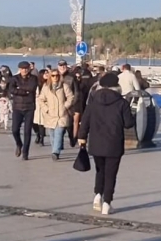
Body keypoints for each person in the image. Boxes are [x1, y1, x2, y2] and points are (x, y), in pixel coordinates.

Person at [78, 73, 134, 215]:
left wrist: (82, 137)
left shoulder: (93, 101)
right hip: (114, 142)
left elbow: (85, 121)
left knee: (100, 170)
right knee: (111, 173)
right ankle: (107, 203)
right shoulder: (122, 103)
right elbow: (128, 124)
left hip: (96, 142)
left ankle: (97, 196)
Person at [38, 69, 74, 161]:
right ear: (50, 77)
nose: (55, 77)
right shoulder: (46, 87)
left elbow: (70, 97)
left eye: (57, 75)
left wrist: (65, 106)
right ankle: (56, 148)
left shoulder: (64, 86)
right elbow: (41, 99)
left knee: (59, 132)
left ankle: (55, 152)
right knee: (52, 134)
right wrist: (46, 109)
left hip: (61, 114)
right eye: (53, 75)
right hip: (50, 114)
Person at [8, 61, 38, 160]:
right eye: (22, 69)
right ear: (19, 69)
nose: (24, 70)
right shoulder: (14, 78)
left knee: (27, 131)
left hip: (29, 107)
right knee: (15, 130)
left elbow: (31, 88)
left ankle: (25, 152)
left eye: (26, 68)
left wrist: (19, 89)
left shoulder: (33, 78)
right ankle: (19, 144)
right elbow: (11, 90)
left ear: (29, 69)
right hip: (17, 107)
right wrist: (23, 91)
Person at [57, 59, 79, 147]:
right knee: (59, 125)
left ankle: (72, 138)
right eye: (60, 65)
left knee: (68, 124)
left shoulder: (71, 77)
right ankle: (58, 143)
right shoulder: (55, 76)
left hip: (69, 104)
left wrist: (72, 103)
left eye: (64, 65)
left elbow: (76, 92)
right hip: (57, 104)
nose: (62, 67)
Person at [33, 69, 48, 145]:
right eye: (45, 73)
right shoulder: (37, 84)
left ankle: (42, 138)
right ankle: (37, 134)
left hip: (45, 105)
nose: (47, 74)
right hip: (36, 104)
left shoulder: (49, 84)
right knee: (34, 122)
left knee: (42, 123)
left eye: (47, 73)